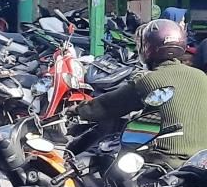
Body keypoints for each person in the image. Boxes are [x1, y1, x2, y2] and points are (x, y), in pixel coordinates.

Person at [75, 18, 207, 169]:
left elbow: (105, 106)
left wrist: (77, 110)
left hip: (165, 162)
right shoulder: (201, 76)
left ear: (147, 48)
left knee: (113, 169)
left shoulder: (148, 81)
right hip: (201, 162)